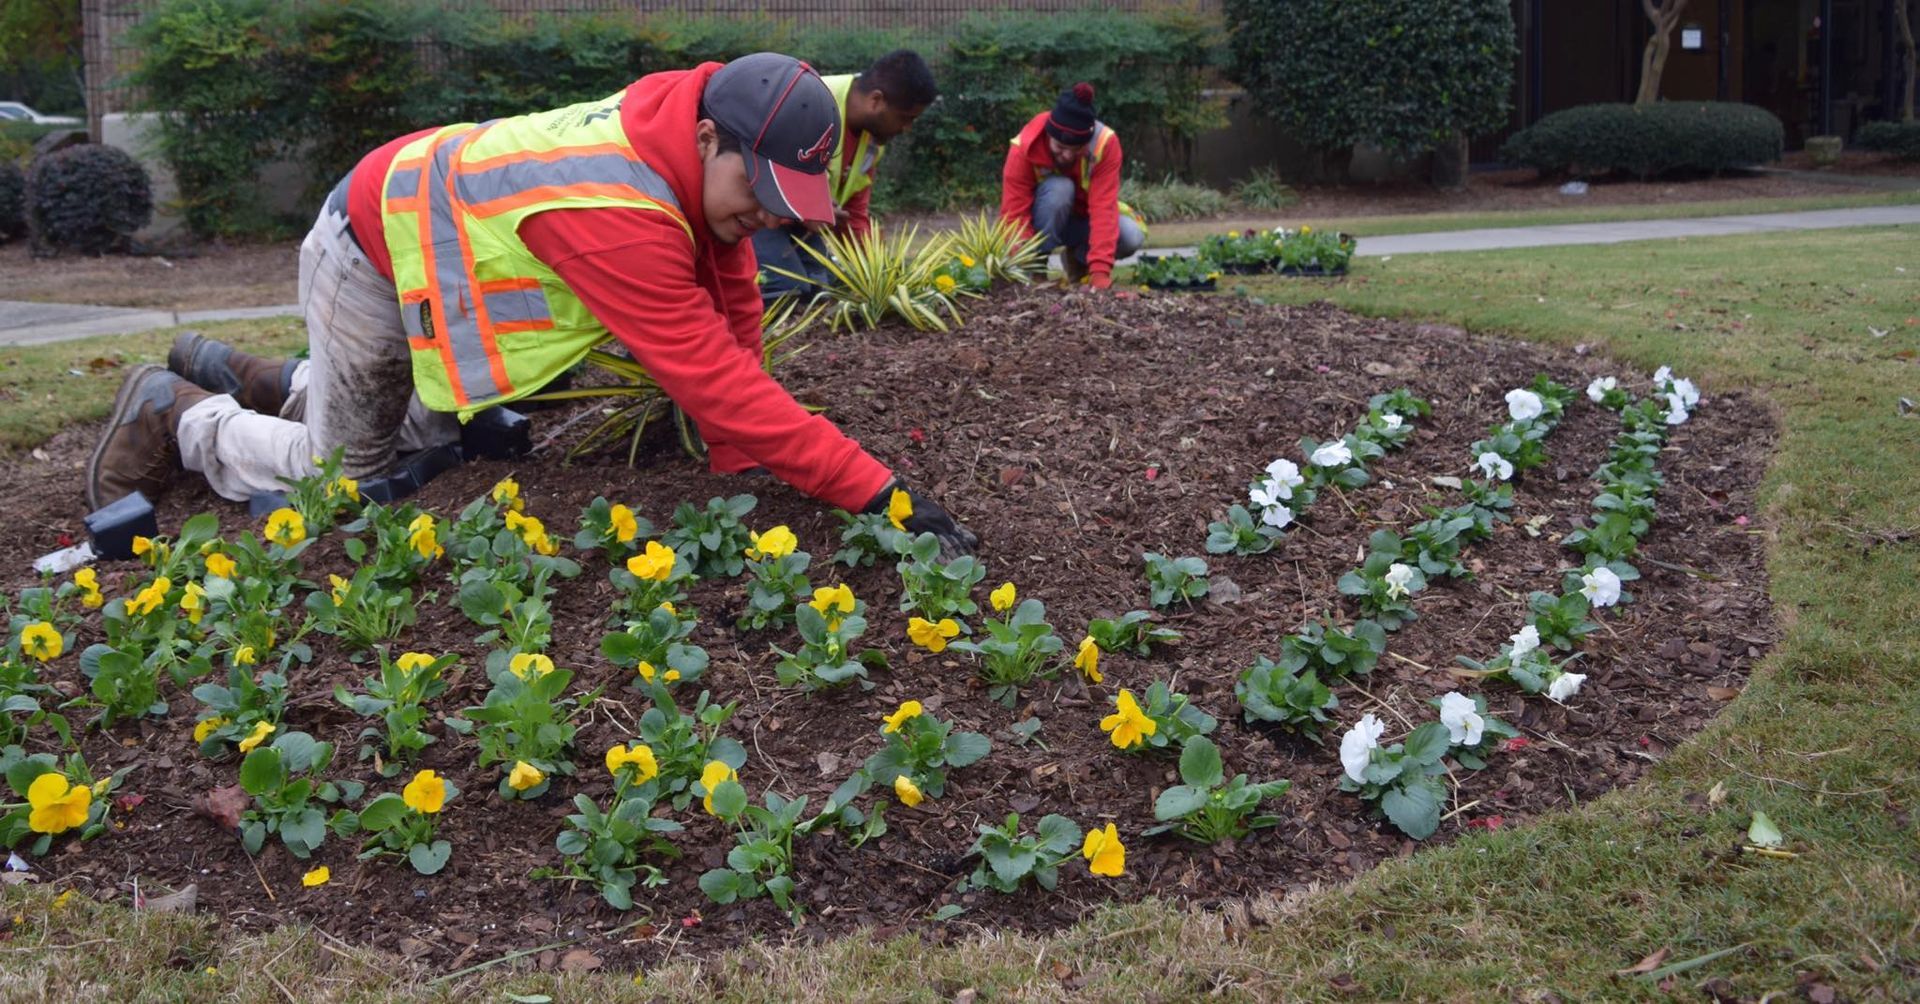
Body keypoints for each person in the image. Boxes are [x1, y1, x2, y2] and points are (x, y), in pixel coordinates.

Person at [85, 52, 976, 553]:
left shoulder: (683, 148)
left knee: (422, 436)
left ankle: (246, 369)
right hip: (371, 251)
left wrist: (738, 460)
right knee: (345, 485)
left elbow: (732, 305)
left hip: (428, 248)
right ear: (710, 139)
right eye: (762, 188)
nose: (770, 214)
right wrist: (879, 494)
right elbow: (712, 376)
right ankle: (183, 414)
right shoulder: (621, 213)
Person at [752, 49, 937, 300]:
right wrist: (804, 208)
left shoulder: (869, 143)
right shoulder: (805, 102)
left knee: (824, 289)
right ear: (876, 100)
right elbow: (749, 168)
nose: (906, 129)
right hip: (753, 217)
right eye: (905, 118)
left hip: (797, 227)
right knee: (784, 289)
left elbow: (854, 216)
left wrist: (880, 274)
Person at [999, 82, 1146, 290]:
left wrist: (1100, 273)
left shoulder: (1105, 144)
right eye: (1060, 147)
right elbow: (1014, 214)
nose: (1067, 155)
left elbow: (1103, 209)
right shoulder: (1024, 147)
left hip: (1082, 221)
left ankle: (1079, 261)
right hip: (1040, 222)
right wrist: (1023, 265)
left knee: (1131, 236)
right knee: (1060, 188)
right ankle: (1038, 267)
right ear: (1049, 135)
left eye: (1075, 148)